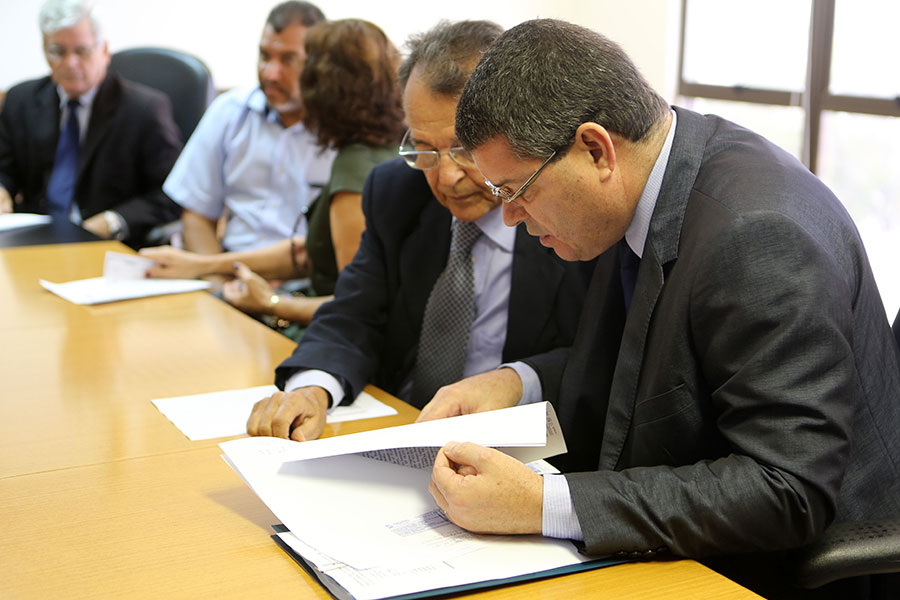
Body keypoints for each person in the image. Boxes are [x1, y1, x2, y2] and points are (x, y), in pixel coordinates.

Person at [419, 18, 900, 599]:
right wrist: (515, 382)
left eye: (517, 190)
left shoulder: (756, 235)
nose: (511, 217)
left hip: (777, 574)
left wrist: (543, 504)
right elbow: (649, 362)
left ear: (595, 149)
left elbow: (788, 488)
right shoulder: (647, 181)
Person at [245, 20, 595, 442]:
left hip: (519, 442)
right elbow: (354, 314)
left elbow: (600, 356)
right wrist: (312, 389)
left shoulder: (570, 213)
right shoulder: (396, 191)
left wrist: (516, 380)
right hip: (401, 426)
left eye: (465, 149)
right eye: (425, 150)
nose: (446, 178)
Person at [217, 18, 405, 330]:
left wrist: (270, 303)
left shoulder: (354, 168)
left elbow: (358, 306)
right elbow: (312, 253)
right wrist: (201, 265)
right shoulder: (398, 145)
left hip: (332, 335)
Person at [144, 1, 334, 287]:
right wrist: (220, 283)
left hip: (303, 287)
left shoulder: (341, 129)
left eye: (288, 60)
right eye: (265, 56)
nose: (270, 73)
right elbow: (196, 215)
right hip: (225, 274)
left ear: (319, 64)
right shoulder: (230, 111)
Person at [0, 0, 182, 246]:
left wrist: (115, 221)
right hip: (34, 240)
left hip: (107, 244)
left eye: (81, 51)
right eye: (57, 51)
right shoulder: (21, 100)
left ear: (104, 51)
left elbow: (173, 193)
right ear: (44, 49)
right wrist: (2, 188)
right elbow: (5, 170)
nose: (70, 63)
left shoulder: (144, 109)